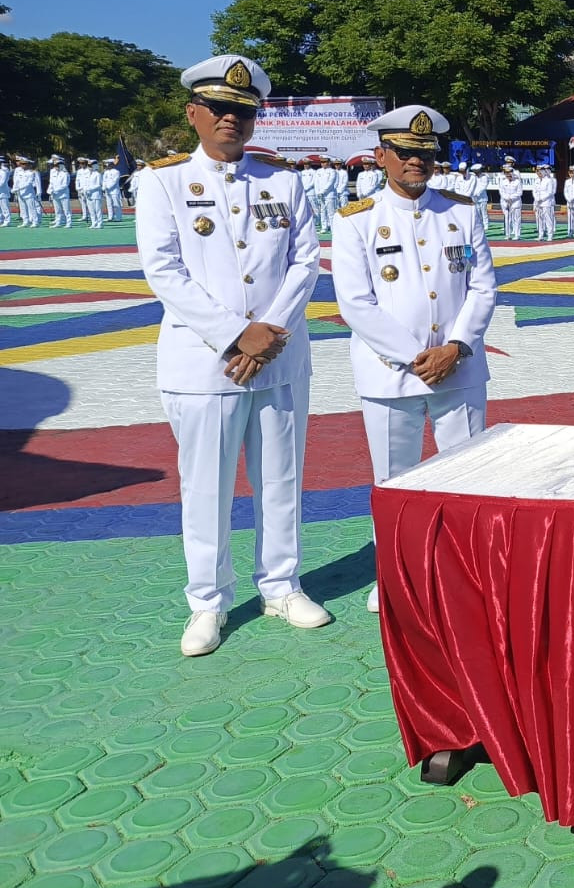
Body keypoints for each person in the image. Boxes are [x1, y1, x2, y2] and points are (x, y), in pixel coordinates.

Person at [136, 54, 329, 656]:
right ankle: (207, 603)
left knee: (281, 479)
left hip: (278, 357)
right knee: (207, 488)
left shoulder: (283, 180)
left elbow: (305, 259)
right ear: (193, 113)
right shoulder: (162, 181)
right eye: (219, 108)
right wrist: (233, 333)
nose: (231, 119)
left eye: (243, 111)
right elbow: (163, 271)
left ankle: (281, 584)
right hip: (204, 362)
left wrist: (267, 332)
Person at [331, 104, 498, 614]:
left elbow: (483, 287)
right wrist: (414, 356)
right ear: (381, 156)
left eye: (425, 153)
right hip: (390, 373)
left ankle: (462, 574)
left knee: (467, 478)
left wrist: (456, 346)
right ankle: (395, 575)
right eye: (404, 153)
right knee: (395, 479)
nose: (416, 162)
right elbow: (355, 303)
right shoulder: (356, 221)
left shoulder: (461, 211)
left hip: (460, 366)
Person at [498, 159, 525, 240]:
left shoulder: (517, 181)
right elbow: (501, 191)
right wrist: (506, 198)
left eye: (509, 174)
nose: (508, 175)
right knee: (507, 219)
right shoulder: (503, 181)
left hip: (515, 202)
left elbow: (519, 192)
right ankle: (508, 234)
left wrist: (511, 198)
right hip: (506, 202)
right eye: (507, 174)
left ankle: (517, 235)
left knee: (516, 219)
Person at [14, 156, 41, 226]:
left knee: (32, 208)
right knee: (23, 209)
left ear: (27, 164)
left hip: (28, 193)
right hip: (20, 193)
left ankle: (35, 221)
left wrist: (19, 188)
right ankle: (25, 221)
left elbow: (29, 183)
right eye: (21, 164)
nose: (22, 165)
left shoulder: (31, 173)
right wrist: (14, 188)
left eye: (24, 164)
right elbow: (16, 181)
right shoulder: (20, 172)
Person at [47, 155, 72, 227]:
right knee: (57, 210)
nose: (55, 167)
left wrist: (56, 190)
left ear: (61, 165)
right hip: (55, 194)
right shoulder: (53, 173)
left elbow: (65, 185)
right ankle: (58, 222)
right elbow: (51, 182)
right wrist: (49, 190)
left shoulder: (65, 174)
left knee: (66, 210)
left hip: (63, 194)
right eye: (54, 165)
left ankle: (68, 223)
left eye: (57, 165)